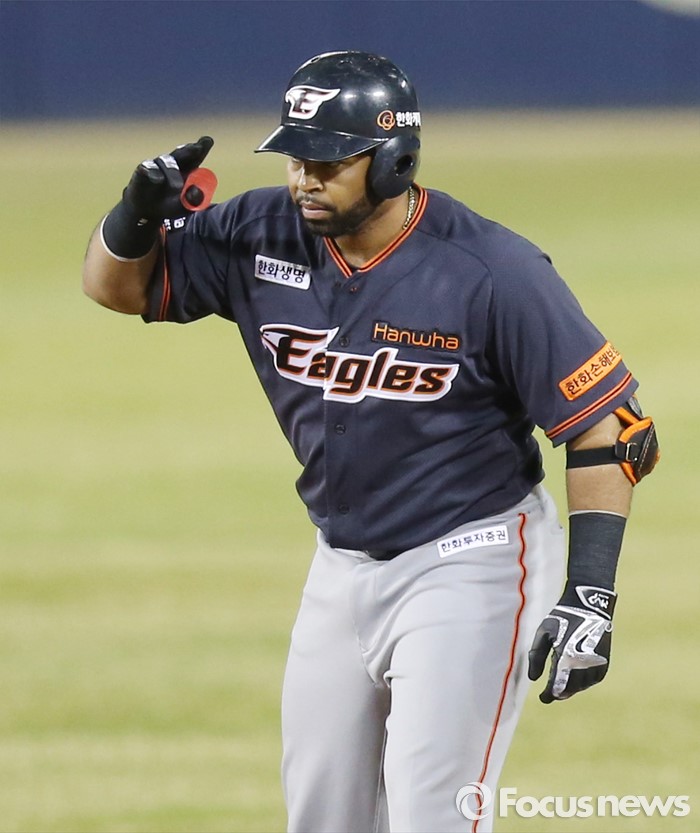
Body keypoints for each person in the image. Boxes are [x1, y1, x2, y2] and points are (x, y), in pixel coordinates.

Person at [82, 51, 658, 833]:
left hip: (473, 560)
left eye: (328, 161)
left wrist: (591, 591)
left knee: (432, 815)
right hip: (339, 564)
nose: (304, 178)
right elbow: (117, 287)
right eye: (295, 157)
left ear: (394, 161)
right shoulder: (261, 233)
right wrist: (134, 217)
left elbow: (610, 426)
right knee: (322, 816)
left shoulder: (493, 270)